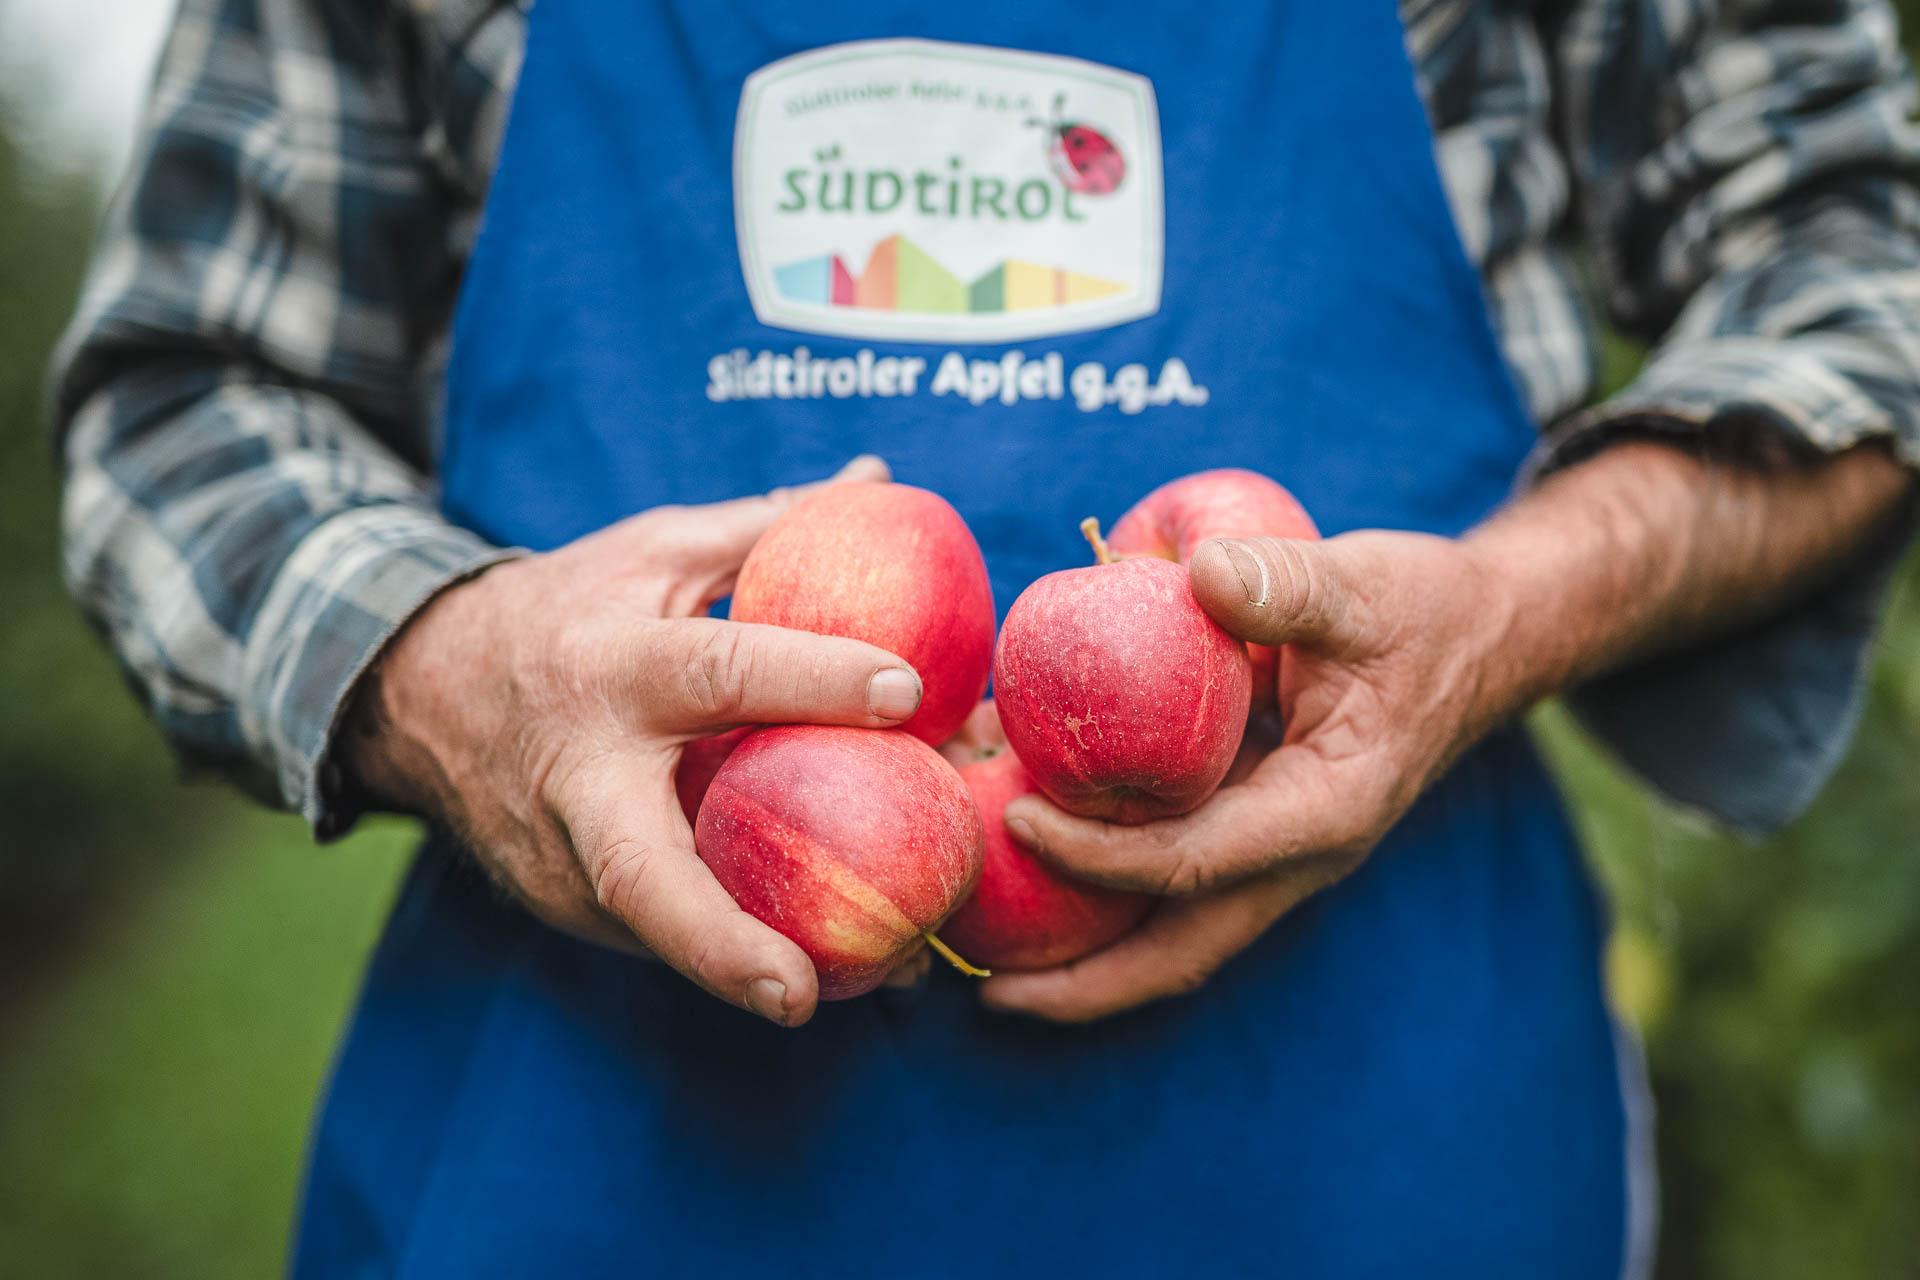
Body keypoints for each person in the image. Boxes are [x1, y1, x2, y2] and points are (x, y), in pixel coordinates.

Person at [51, 0, 1920, 1275]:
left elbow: (1861, 288)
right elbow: (187, 397)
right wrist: (446, 669)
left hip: (1372, 1143)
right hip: (599, 1152)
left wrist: (1515, 608)